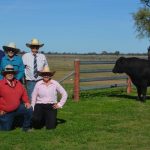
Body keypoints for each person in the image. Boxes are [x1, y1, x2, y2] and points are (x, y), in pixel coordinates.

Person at [0, 65, 32, 131]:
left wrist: (27, 102)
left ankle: (26, 128)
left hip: (17, 109)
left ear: (14, 74)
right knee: (5, 129)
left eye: (12, 72)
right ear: (5, 74)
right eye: (8, 72)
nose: (10, 74)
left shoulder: (18, 83)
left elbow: (24, 93)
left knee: (29, 109)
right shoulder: (1, 84)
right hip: (6, 112)